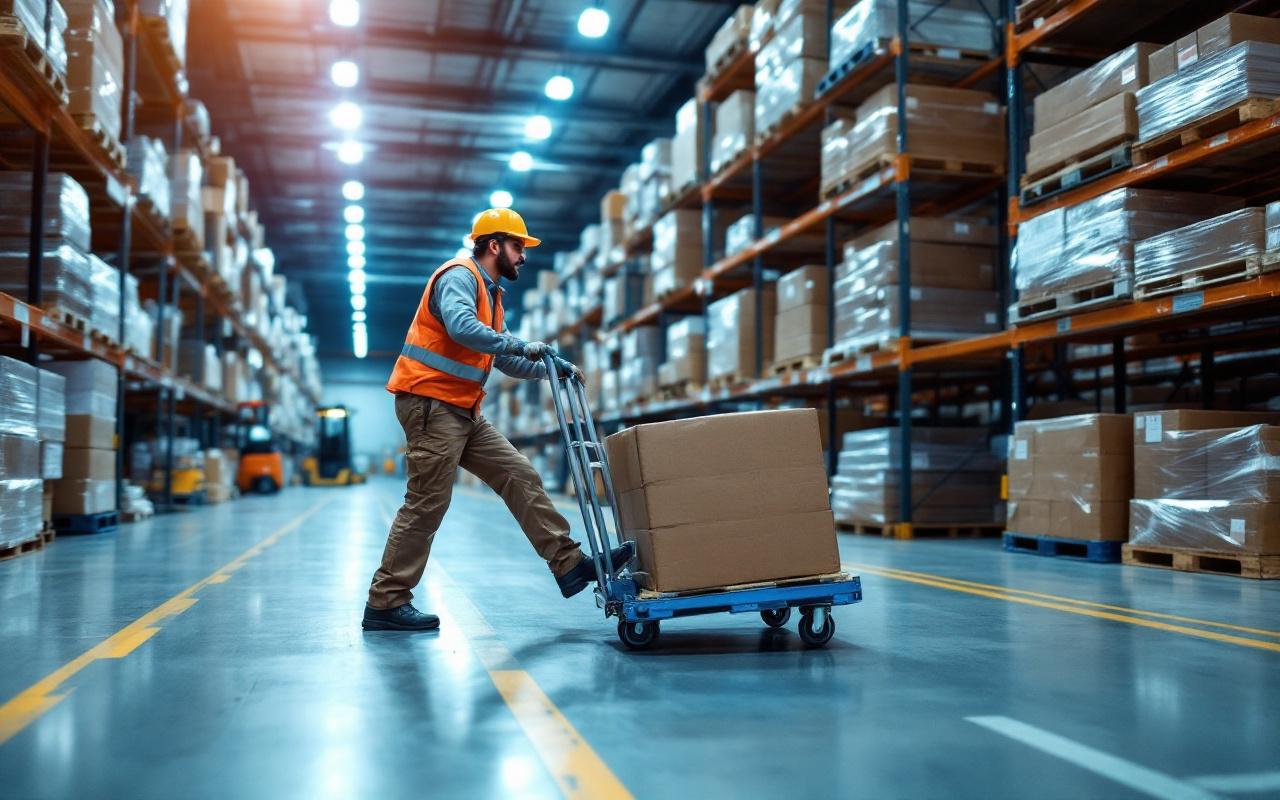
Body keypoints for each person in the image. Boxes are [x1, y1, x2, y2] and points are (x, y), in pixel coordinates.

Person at [362, 208, 634, 632]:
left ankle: (569, 564)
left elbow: (505, 357)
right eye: (518, 246)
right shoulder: (459, 276)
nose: (523, 256)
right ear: (494, 245)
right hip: (431, 405)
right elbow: (461, 327)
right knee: (427, 504)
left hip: (463, 409)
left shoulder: (492, 294)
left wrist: (553, 368)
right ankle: (385, 602)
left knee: (518, 474)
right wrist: (521, 344)